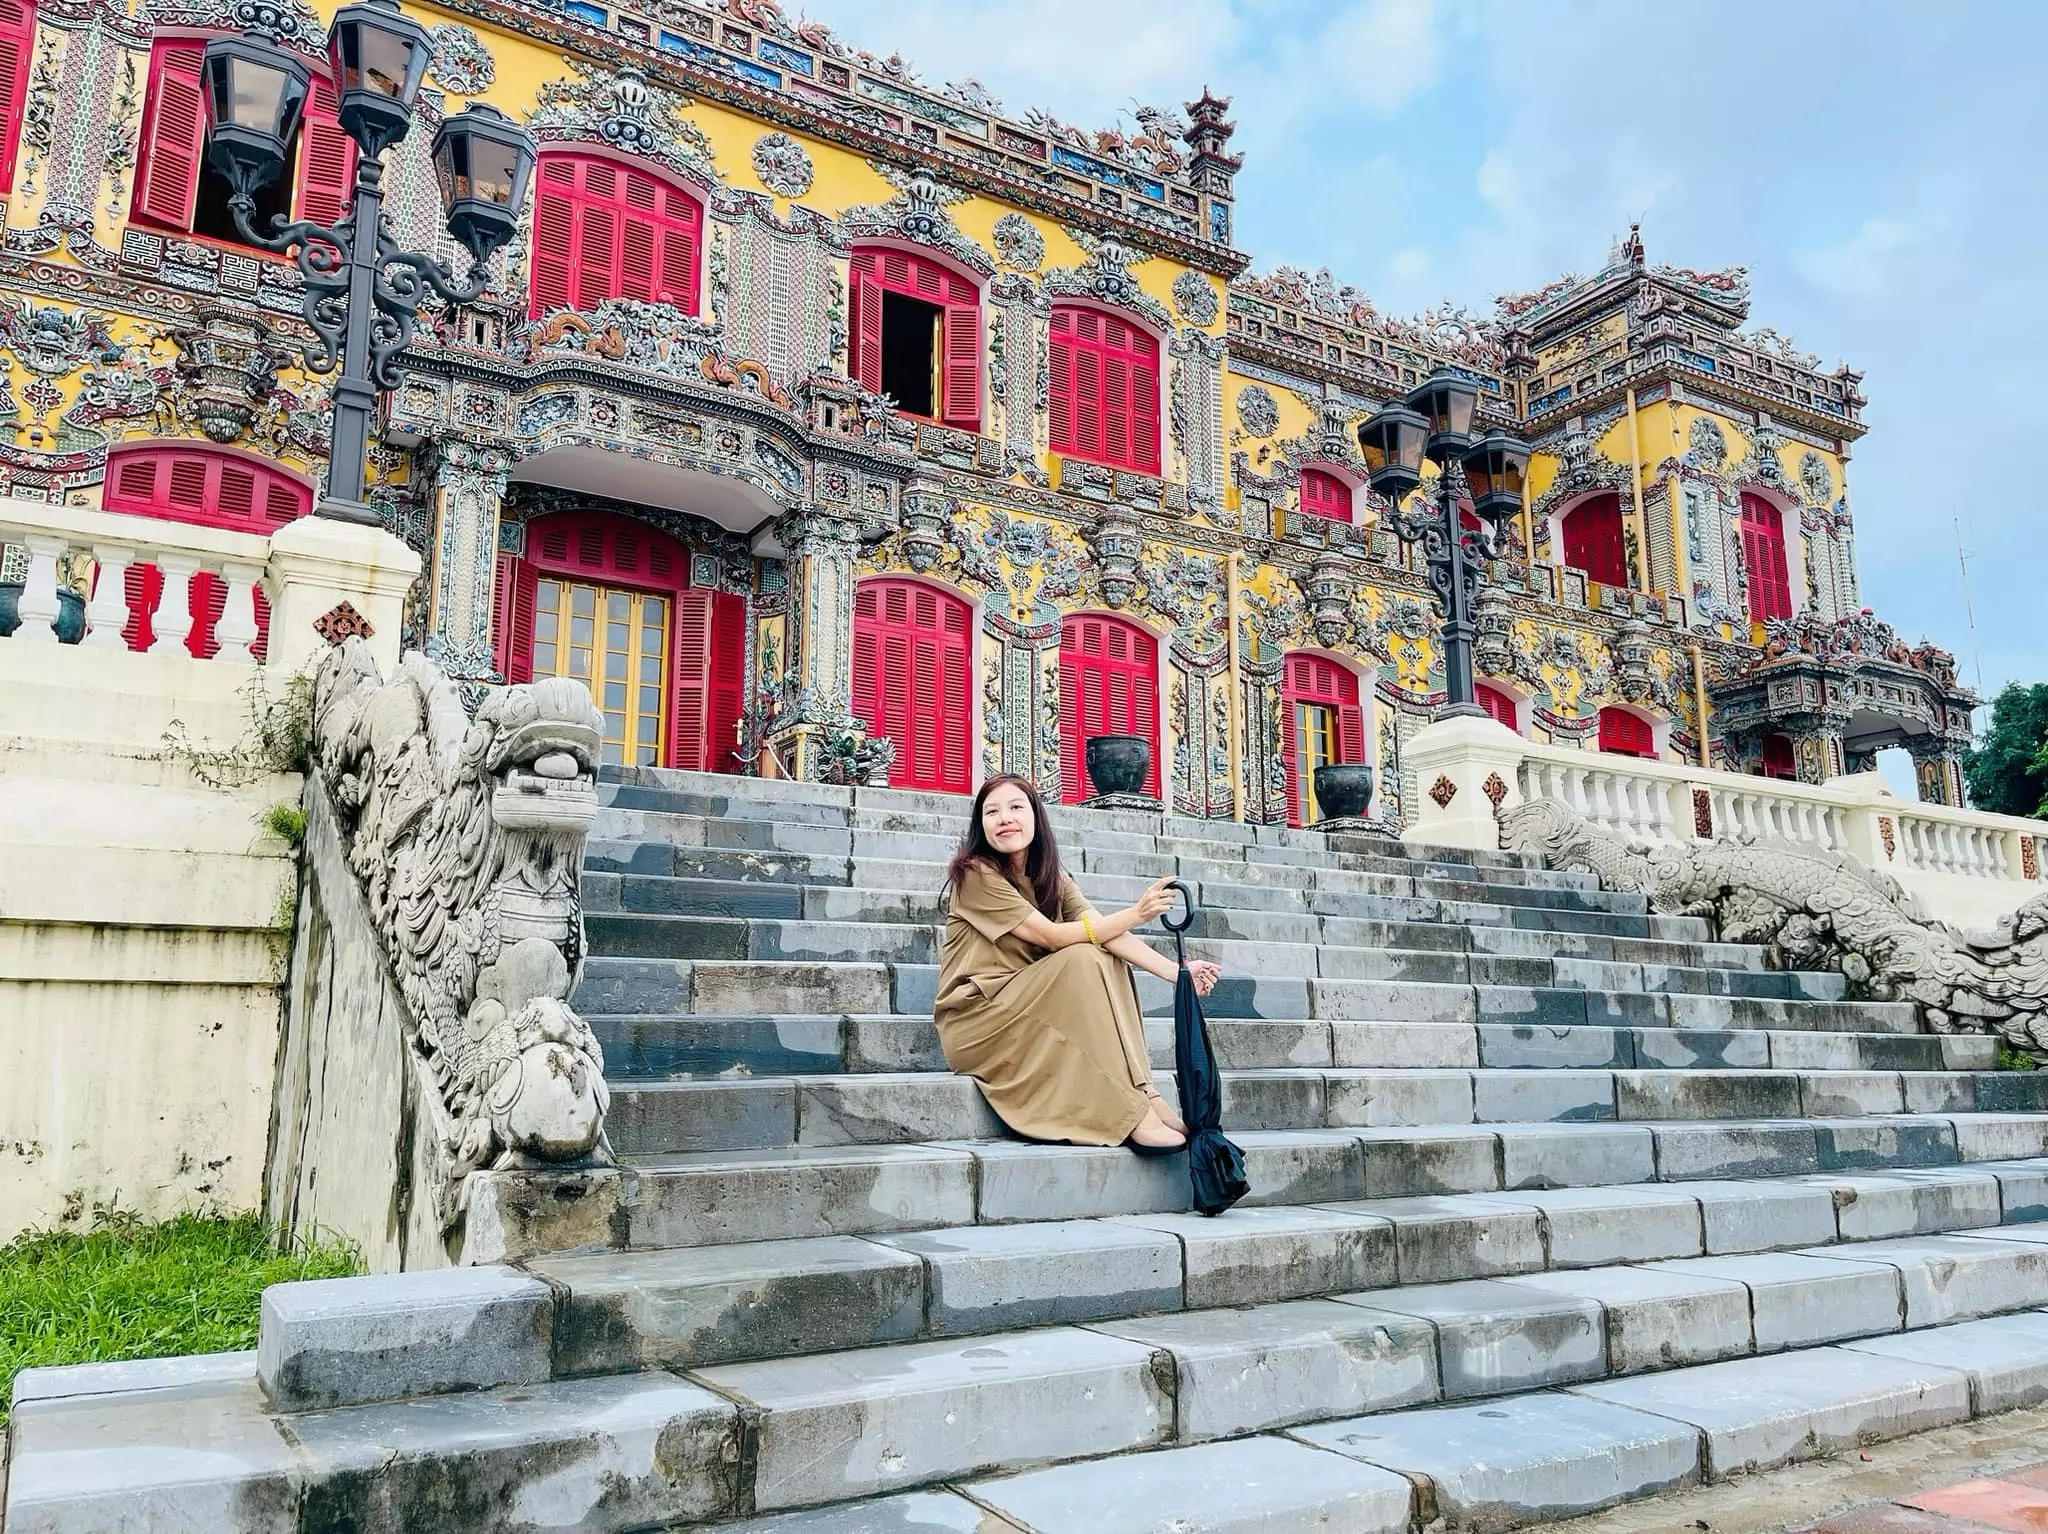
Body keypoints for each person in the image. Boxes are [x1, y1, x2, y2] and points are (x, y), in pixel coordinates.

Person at [935, 773, 1222, 1153]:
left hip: (1028, 1001)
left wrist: (1177, 973)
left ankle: (1142, 1091)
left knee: (1103, 951)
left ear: (1037, 817)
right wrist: (1137, 913)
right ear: (981, 824)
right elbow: (1050, 937)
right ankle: (1129, 1112)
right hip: (979, 1018)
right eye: (992, 812)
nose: (1005, 818)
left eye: (1016, 807)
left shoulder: (1051, 875)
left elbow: (1105, 930)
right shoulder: (974, 874)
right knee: (1084, 955)